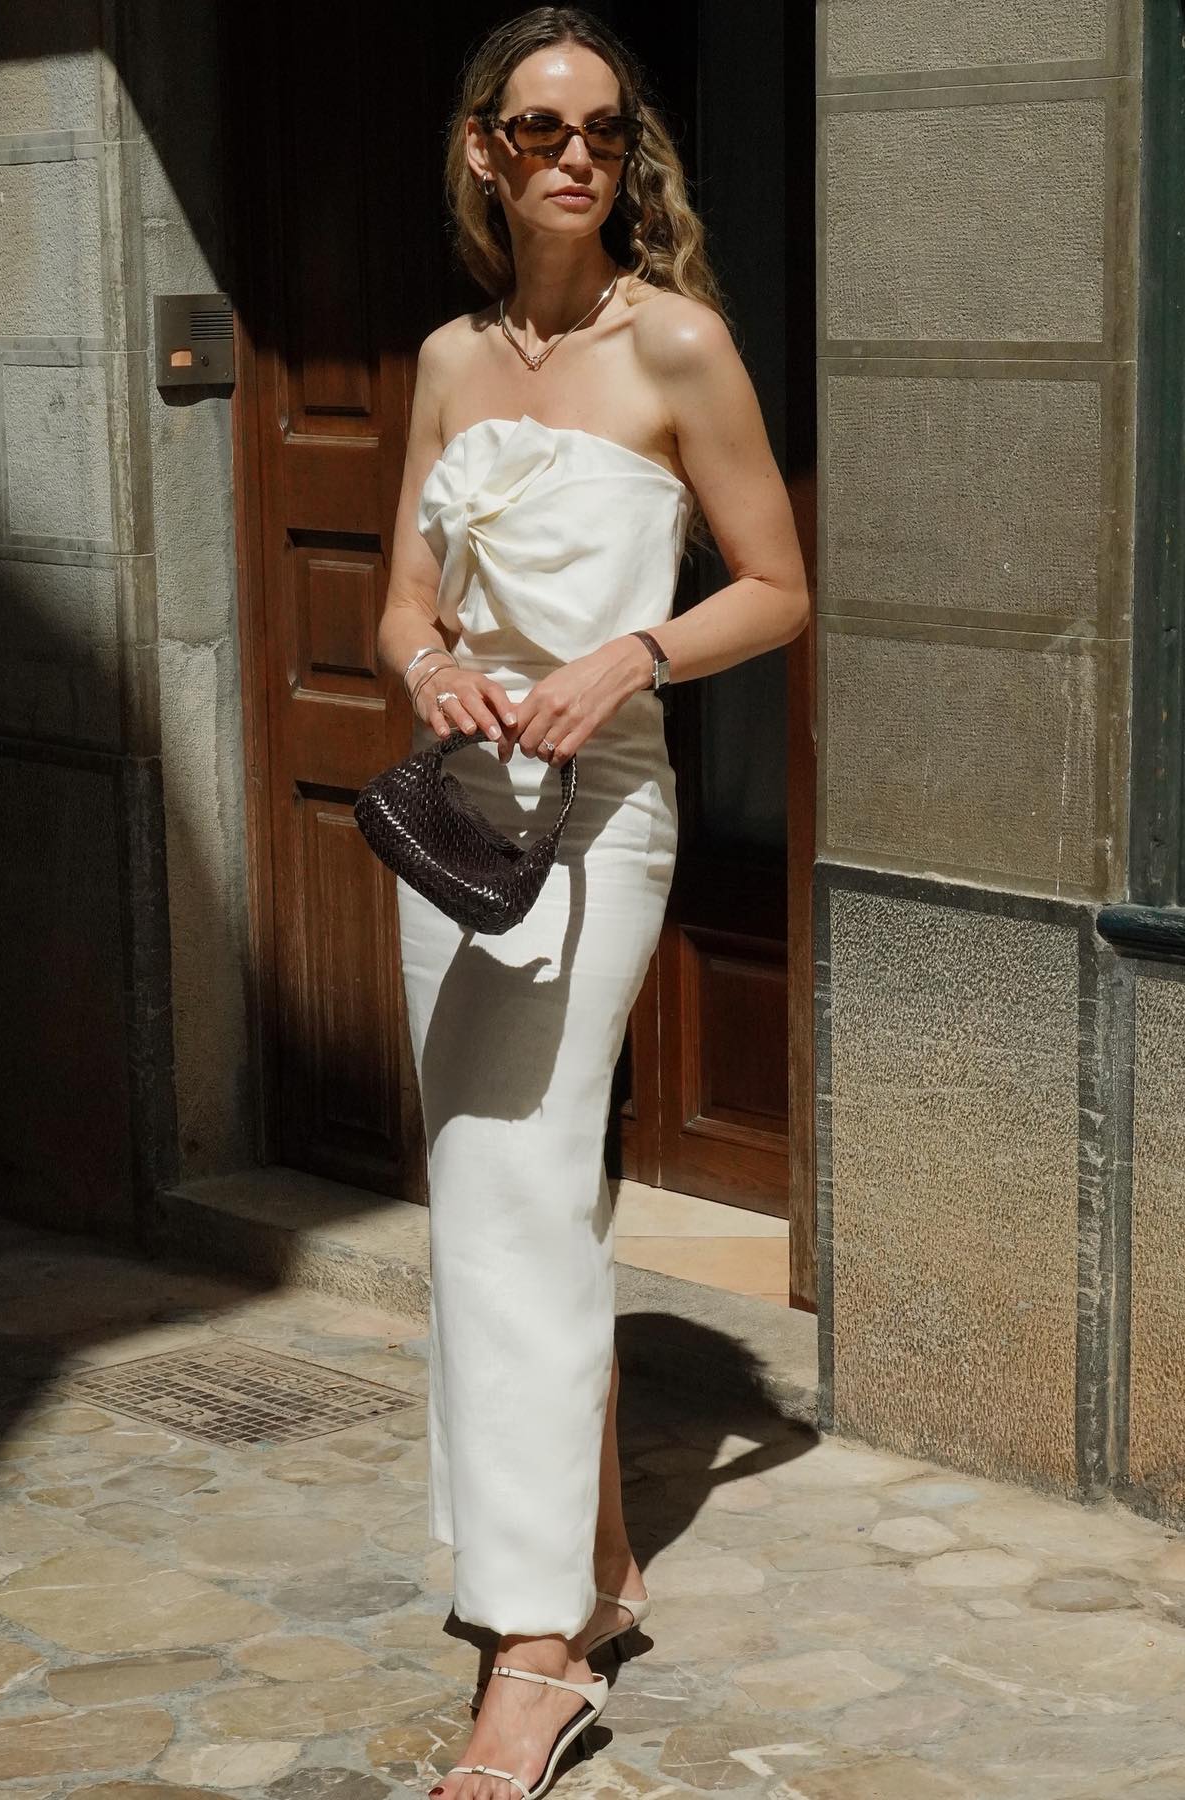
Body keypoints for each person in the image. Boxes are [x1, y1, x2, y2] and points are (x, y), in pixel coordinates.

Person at [374, 10, 810, 1798]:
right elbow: (405, 596)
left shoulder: (679, 345)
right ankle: (604, 1575)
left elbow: (777, 588)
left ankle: (532, 1654)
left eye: (607, 131)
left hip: (601, 812)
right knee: (504, 1190)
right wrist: (425, 674)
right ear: (484, 146)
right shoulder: (447, 358)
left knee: (516, 1184)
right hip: (456, 816)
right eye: (542, 126)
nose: (576, 155)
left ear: (633, 157)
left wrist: (627, 650)